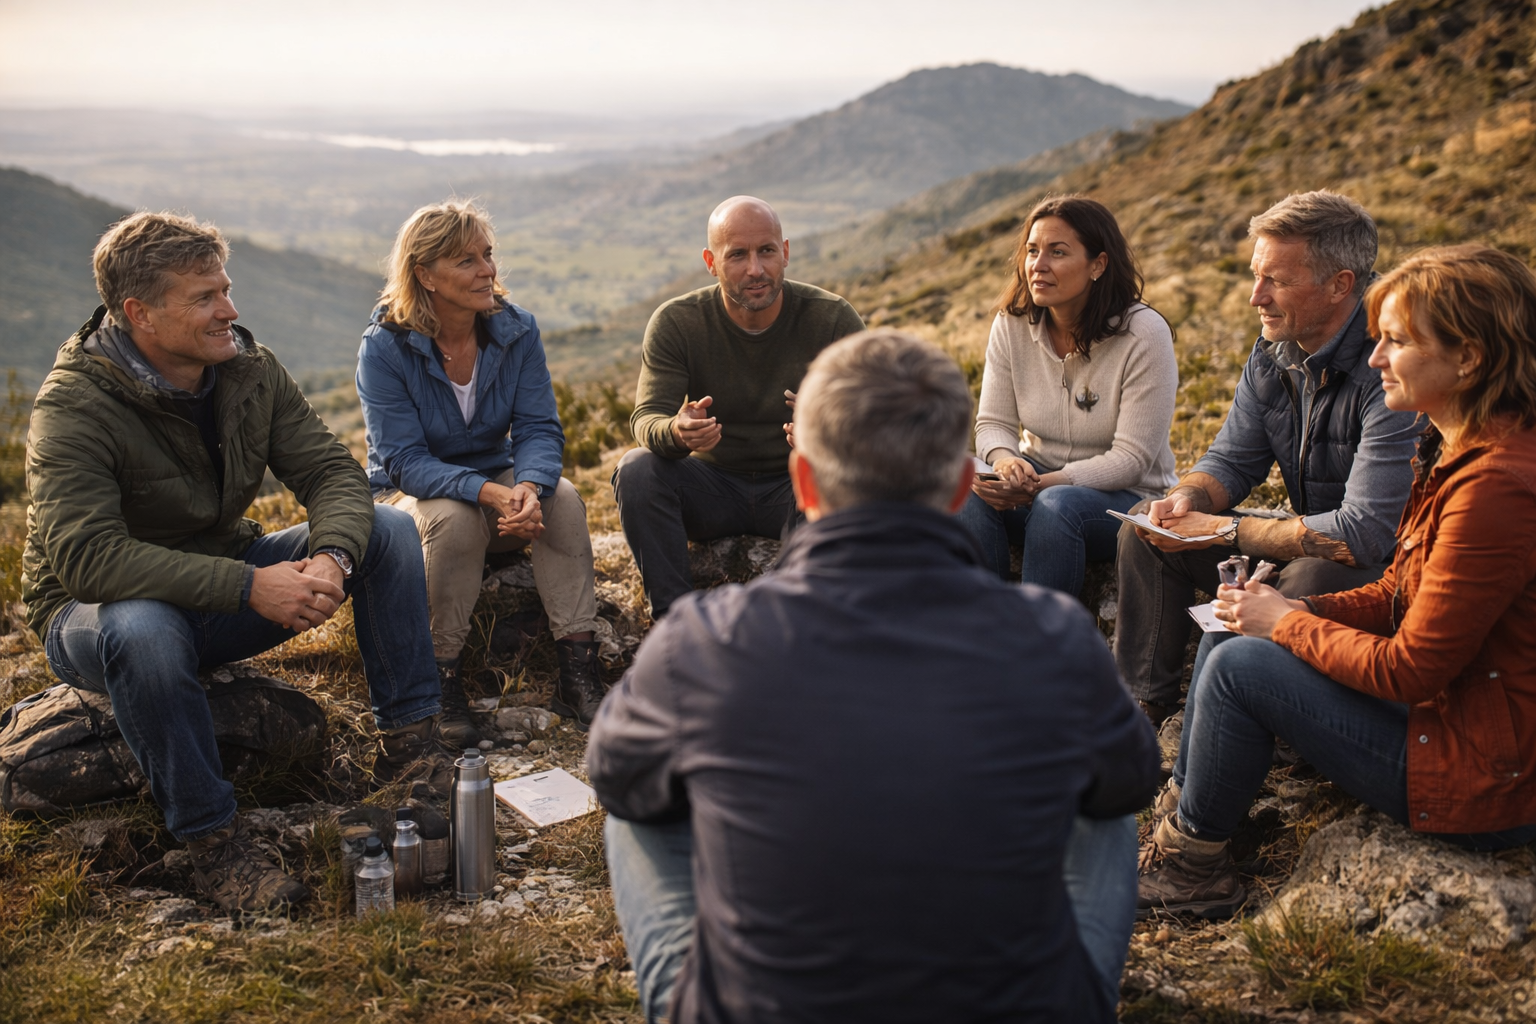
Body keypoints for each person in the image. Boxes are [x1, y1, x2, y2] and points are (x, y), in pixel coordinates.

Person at [589, 329, 1161, 1023]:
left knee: (637, 810)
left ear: (804, 480)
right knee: (1101, 810)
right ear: (959, 486)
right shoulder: (1053, 636)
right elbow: (1131, 779)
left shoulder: (701, 641)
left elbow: (618, 779)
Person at [23, 212, 446, 912]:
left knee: (388, 531)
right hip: (94, 613)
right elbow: (87, 560)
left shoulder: (247, 372)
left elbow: (332, 475)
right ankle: (213, 844)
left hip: (223, 584)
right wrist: (249, 585)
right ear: (140, 314)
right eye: (205, 298)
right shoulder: (74, 405)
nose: (230, 309)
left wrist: (334, 557)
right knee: (143, 632)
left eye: (226, 288)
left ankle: (413, 750)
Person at [1139, 244, 1536, 918]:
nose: (1375, 359)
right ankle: (1185, 817)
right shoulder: (1461, 454)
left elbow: (1413, 669)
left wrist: (1289, 624)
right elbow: (1395, 596)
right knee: (1236, 622)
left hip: (1483, 779)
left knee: (1244, 666)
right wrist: (1284, 608)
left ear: (1469, 356)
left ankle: (1189, 872)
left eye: (1397, 342)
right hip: (1457, 724)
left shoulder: (1495, 488)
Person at [1114, 190, 1421, 726]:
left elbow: (1366, 533)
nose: (1256, 296)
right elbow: (1232, 461)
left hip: (1389, 572)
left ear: (1339, 285)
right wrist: (1187, 499)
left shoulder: (1392, 364)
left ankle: (1256, 718)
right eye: (1257, 276)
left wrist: (1225, 532)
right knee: (1144, 524)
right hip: (1307, 539)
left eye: (1275, 280)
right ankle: (1142, 710)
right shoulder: (1275, 348)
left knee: (1304, 579)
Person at [357, 201, 605, 734]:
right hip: (417, 503)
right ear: (424, 274)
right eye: (466, 261)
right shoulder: (385, 348)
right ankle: (442, 679)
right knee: (453, 515)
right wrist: (488, 491)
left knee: (560, 499)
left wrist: (530, 489)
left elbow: (539, 429)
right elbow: (404, 462)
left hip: (501, 487)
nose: (488, 270)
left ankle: (578, 671)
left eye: (487, 255)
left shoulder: (515, 332)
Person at [613, 195, 865, 619]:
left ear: (784, 253)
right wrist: (676, 432)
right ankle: (674, 626)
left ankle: (796, 621)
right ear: (711, 262)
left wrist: (828, 428)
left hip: (796, 487)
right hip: (710, 488)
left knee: (832, 476)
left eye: (766, 251)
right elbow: (646, 417)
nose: (756, 269)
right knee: (637, 469)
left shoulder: (832, 319)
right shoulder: (677, 322)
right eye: (737, 255)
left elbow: (874, 420)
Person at [958, 194, 1177, 594]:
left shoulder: (1143, 334)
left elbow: (1131, 460)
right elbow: (993, 423)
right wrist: (1006, 464)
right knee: (960, 483)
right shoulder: (1012, 323)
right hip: (1035, 484)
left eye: (1057, 252)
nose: (1038, 266)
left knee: (1056, 507)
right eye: (1032, 251)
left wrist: (1042, 484)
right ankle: (986, 628)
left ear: (1098, 264)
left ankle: (1042, 646)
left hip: (1123, 501)